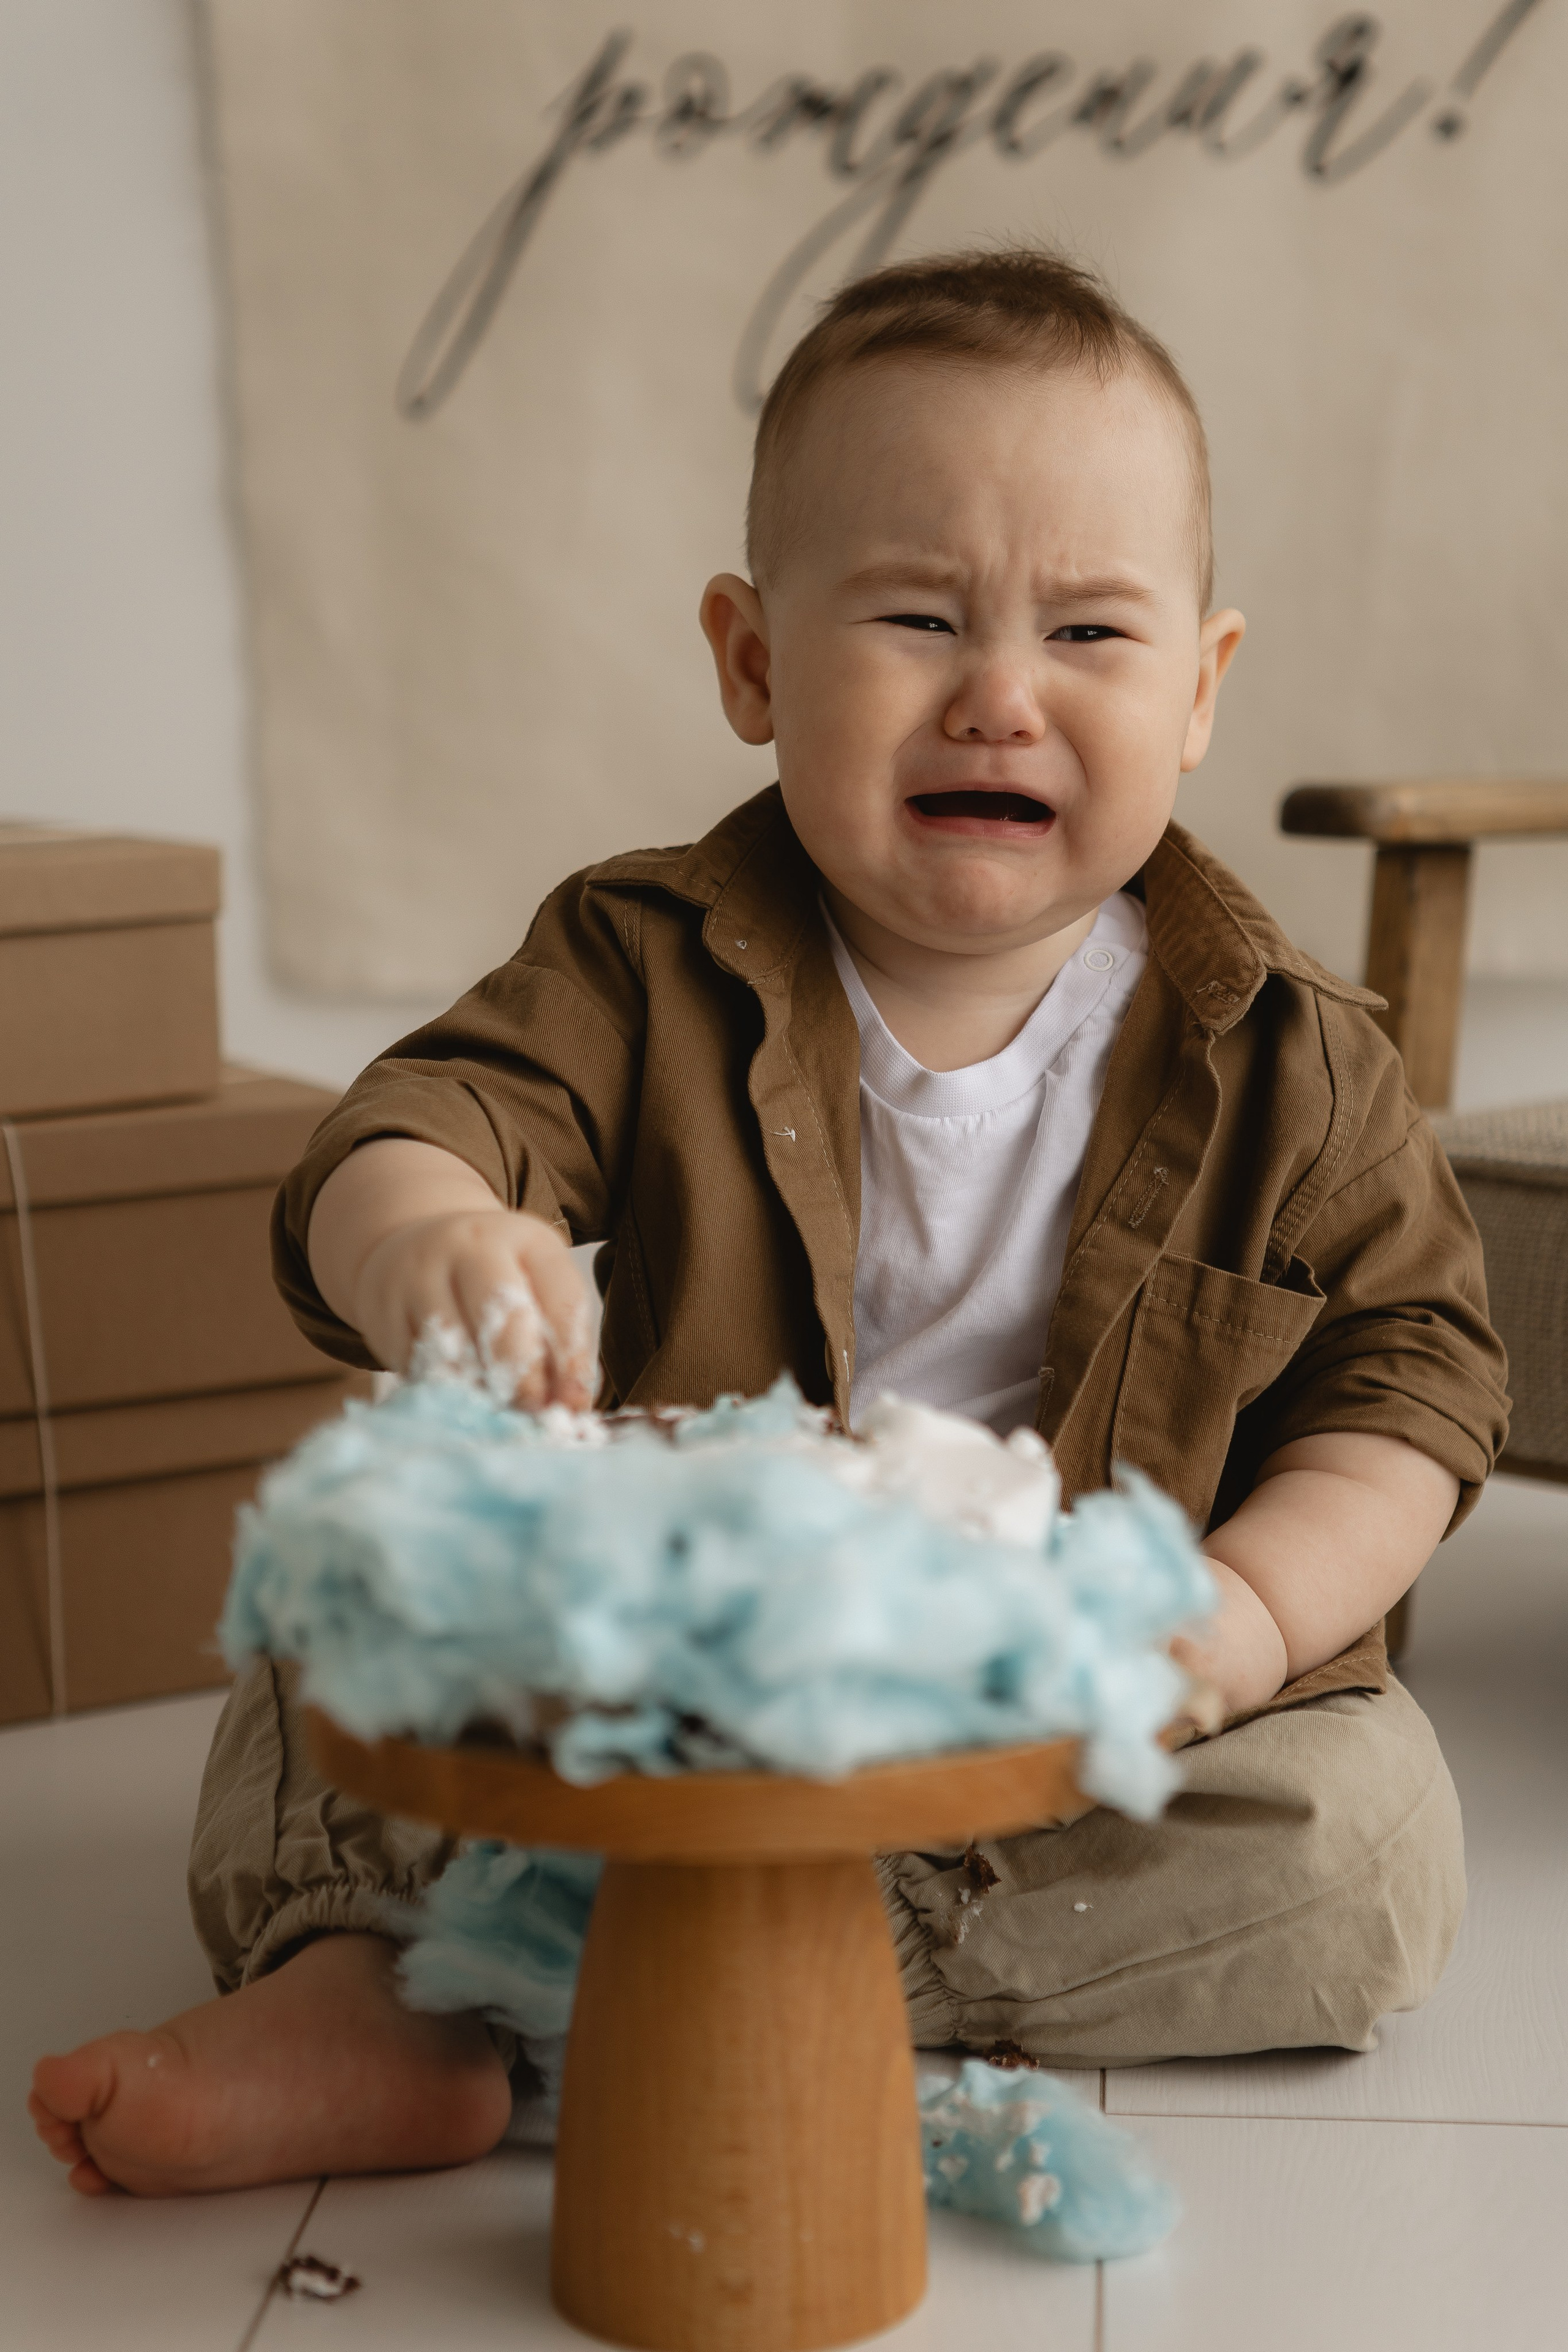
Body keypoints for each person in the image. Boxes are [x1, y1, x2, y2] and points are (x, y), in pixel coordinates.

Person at [30, 247, 1506, 2198]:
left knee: (1369, 1838)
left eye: (1088, 632)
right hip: (677, 1681)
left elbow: (1416, 1383)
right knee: (329, 1661)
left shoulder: (1294, 1057)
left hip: (1051, 1726)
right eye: (915, 615)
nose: (1000, 692)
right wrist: (432, 1240)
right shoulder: (641, 961)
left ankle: (546, 2009)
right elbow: (423, 1121)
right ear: (751, 660)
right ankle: (430, 1974)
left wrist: (1235, 1623)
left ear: (1203, 686)